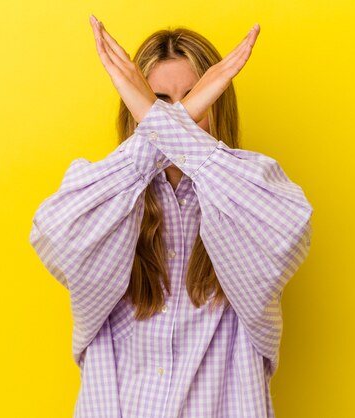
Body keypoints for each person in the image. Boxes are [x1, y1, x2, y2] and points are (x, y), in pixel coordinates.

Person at [29, 15, 314, 418]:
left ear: (221, 105)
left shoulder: (251, 188)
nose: (180, 113)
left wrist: (165, 126)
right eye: (158, 101)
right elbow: (54, 238)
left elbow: (290, 234)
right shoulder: (103, 193)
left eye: (197, 98)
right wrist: (180, 121)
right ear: (133, 109)